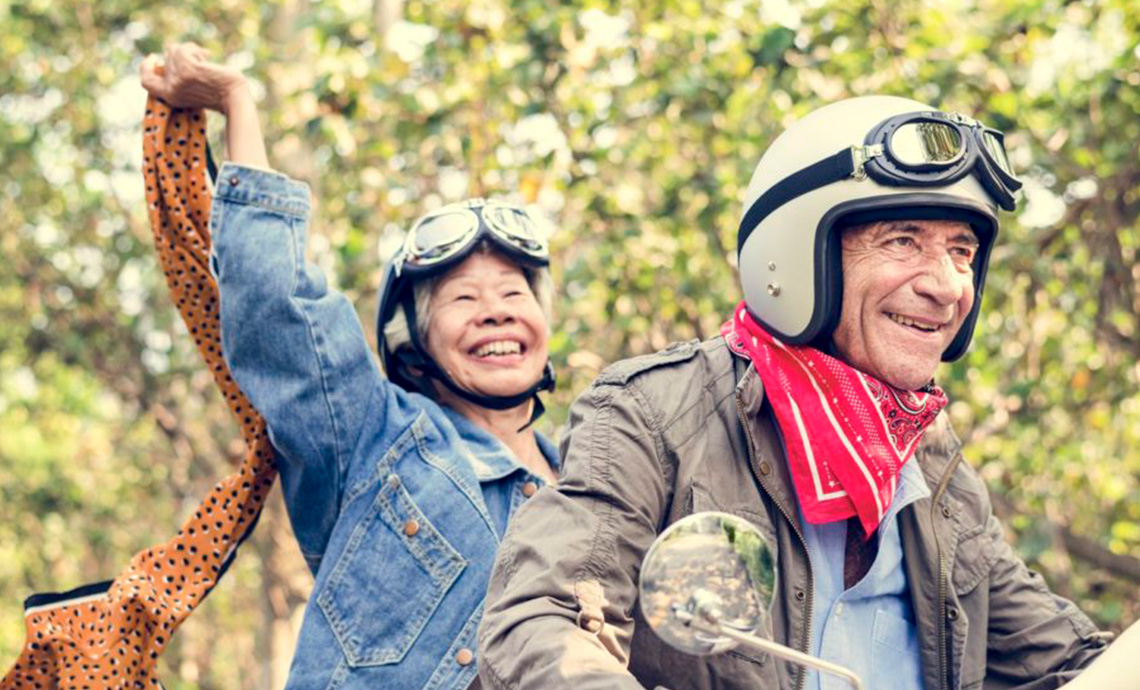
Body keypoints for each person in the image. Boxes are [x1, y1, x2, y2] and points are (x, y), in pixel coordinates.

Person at [477, 96, 1131, 690]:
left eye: (962, 252)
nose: (946, 285)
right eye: (903, 241)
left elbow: (1073, 664)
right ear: (795, 254)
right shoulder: (655, 414)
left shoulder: (937, 479)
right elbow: (543, 621)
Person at [140, 43, 559, 690]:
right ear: (414, 345)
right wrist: (236, 100)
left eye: (513, 293)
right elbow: (276, 301)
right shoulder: (375, 438)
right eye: (464, 299)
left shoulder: (598, 481)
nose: (496, 312)